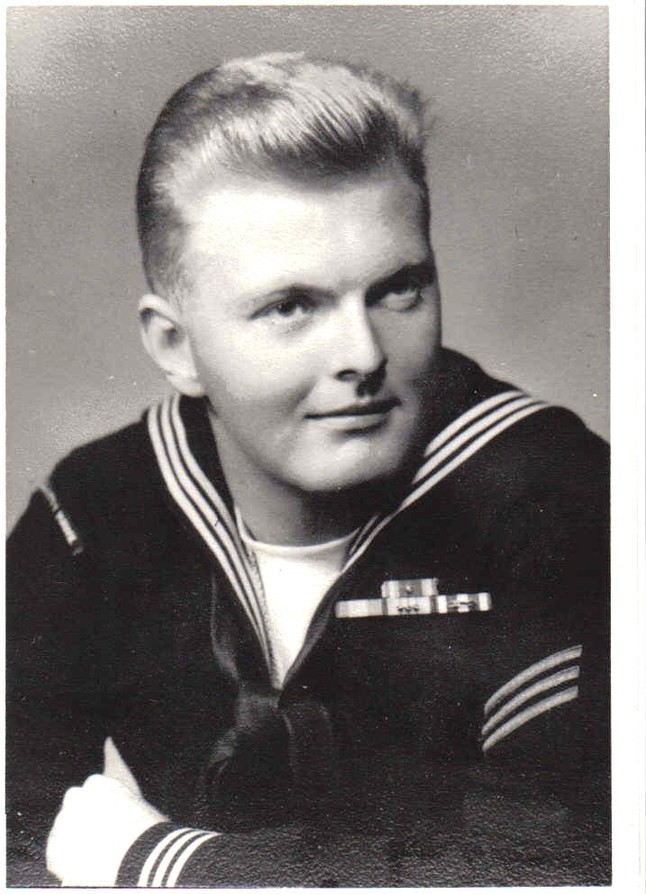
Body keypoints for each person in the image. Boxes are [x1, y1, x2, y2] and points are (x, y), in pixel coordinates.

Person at [6, 53, 610, 887]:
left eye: (399, 290)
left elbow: (553, 869)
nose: (363, 355)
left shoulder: (559, 504)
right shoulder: (97, 511)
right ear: (175, 347)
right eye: (292, 306)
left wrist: (160, 862)